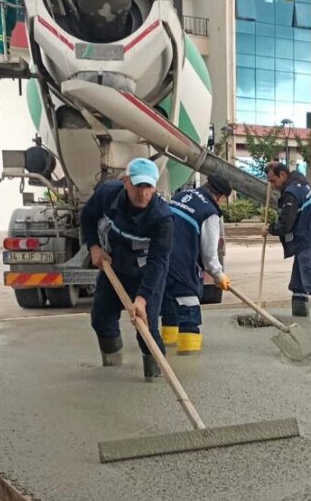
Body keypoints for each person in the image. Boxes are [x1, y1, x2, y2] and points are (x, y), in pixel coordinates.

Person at [80, 158, 173, 380]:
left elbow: (159, 262)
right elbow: (87, 216)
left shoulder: (162, 218)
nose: (143, 193)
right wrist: (93, 246)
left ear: (155, 187)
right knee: (101, 318)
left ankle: (155, 375)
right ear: (125, 182)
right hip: (114, 267)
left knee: (145, 330)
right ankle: (112, 368)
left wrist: (141, 299)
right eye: (138, 185)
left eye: (148, 186)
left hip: (146, 274)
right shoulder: (107, 195)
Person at [161, 175, 233, 354]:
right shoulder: (209, 212)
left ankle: (168, 343)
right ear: (220, 196)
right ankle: (189, 357)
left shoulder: (181, 196)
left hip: (159, 258)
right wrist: (218, 274)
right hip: (181, 262)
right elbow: (209, 252)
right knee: (189, 305)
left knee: (169, 301)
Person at [262, 162, 311, 325]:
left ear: (283, 175)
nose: (272, 185)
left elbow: (285, 225)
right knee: (298, 285)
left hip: (307, 243)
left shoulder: (291, 193)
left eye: (272, 180)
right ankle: (301, 322)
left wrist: (269, 229)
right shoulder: (301, 184)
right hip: (308, 241)